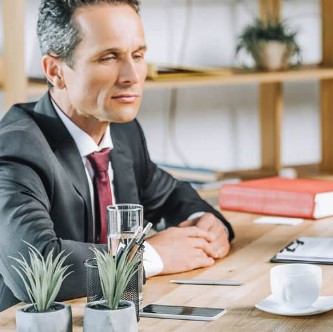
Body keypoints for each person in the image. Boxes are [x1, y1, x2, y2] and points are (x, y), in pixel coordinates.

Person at [0, 0, 234, 312]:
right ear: (55, 71)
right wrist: (149, 255)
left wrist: (205, 222)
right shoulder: (16, 147)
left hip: (108, 322)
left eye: (137, 56)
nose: (133, 76)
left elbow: (171, 194)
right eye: (108, 58)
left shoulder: (123, 131)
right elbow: (35, 267)